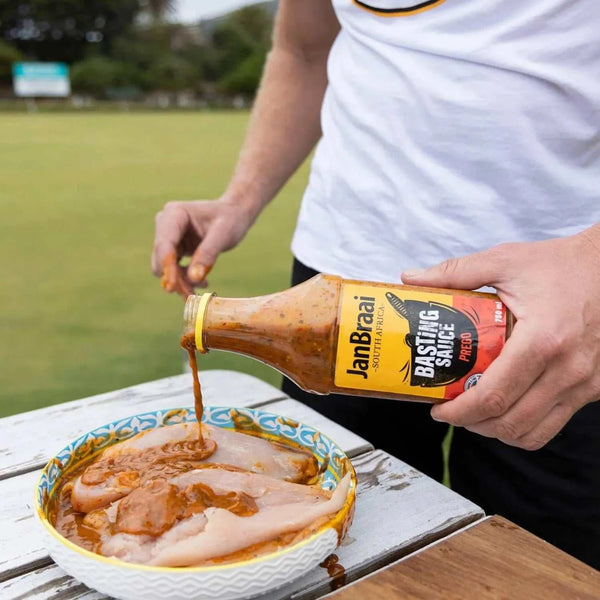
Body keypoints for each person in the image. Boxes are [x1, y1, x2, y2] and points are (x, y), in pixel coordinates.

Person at [152, 0, 600, 567]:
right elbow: (304, 48)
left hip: (555, 307)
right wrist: (239, 200)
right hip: (331, 297)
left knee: (541, 564)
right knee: (329, 548)